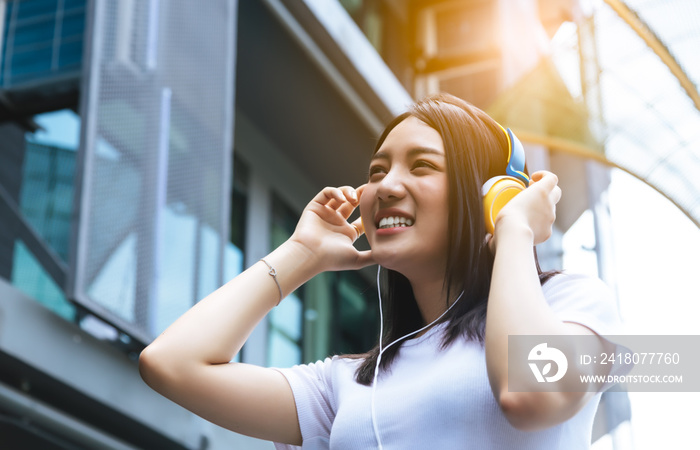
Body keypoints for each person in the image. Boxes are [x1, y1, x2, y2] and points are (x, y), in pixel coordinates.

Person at [139, 93, 624, 449]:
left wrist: (513, 229)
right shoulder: (345, 385)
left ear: (490, 196)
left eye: (422, 166)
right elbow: (172, 364)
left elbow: (528, 392)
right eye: (376, 171)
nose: (386, 186)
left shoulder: (572, 304)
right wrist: (301, 253)